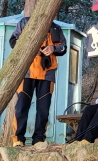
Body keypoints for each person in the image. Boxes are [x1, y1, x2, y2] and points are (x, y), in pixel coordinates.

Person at [8, 16, 67, 147]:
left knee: (43, 109)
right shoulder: (24, 23)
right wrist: (29, 49)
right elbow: (13, 41)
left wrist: (53, 49)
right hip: (26, 72)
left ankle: (39, 139)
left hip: (47, 73)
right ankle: (18, 139)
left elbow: (64, 47)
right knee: (21, 107)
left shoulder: (56, 28)